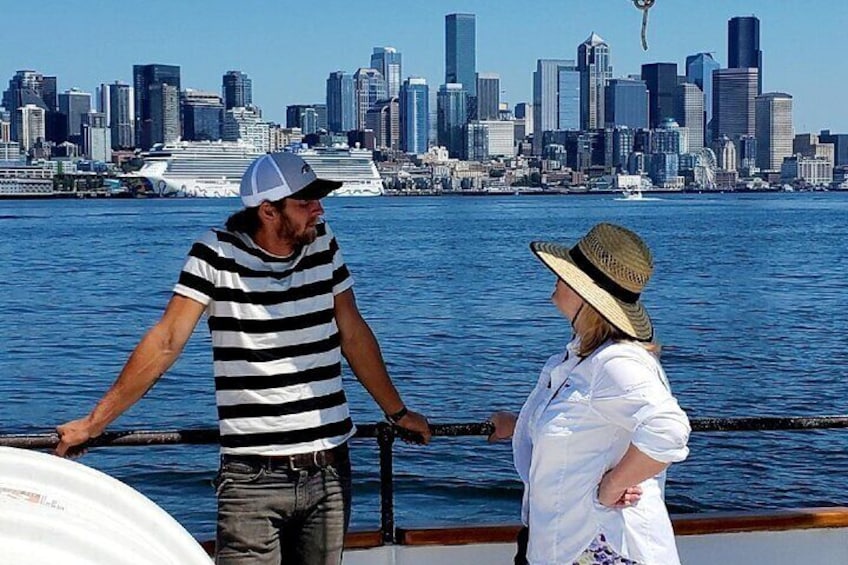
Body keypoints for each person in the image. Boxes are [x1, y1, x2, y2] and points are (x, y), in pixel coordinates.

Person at [55, 151, 431, 565]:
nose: (319, 210)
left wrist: (397, 413)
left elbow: (354, 334)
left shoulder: (323, 244)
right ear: (268, 211)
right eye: (306, 203)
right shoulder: (215, 254)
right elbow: (166, 342)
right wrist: (94, 423)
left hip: (329, 465)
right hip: (251, 476)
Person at [489, 222, 691, 565]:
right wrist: (522, 424)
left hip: (602, 549)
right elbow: (584, 426)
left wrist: (614, 484)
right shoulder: (581, 359)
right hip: (564, 546)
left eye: (566, 273)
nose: (555, 276)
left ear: (587, 293)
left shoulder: (616, 361)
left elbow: (668, 430)